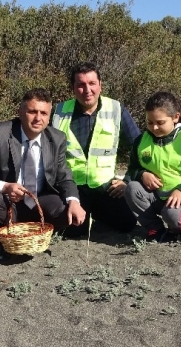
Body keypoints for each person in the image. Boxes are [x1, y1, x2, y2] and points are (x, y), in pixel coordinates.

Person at [0, 88, 87, 260]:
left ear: (49, 117)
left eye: (44, 113)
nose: (38, 118)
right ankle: (0, 242)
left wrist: (74, 201)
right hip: (7, 202)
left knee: (69, 212)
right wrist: (5, 187)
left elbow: (64, 176)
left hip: (39, 199)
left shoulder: (57, 138)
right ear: (21, 112)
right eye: (32, 111)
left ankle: (33, 235)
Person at [50, 62, 141, 237]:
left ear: (100, 85)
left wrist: (127, 181)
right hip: (72, 188)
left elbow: (139, 147)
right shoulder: (59, 112)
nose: (87, 90)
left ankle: (95, 212)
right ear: (73, 88)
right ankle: (84, 213)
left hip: (105, 187)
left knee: (127, 223)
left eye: (92, 83)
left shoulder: (116, 109)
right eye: (81, 85)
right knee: (72, 231)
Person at [125, 91, 181, 242]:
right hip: (156, 197)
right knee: (132, 188)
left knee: (173, 215)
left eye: (160, 122)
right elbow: (132, 170)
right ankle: (154, 228)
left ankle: (177, 228)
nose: (154, 128)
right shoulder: (140, 141)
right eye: (150, 122)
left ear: (175, 117)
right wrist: (142, 174)